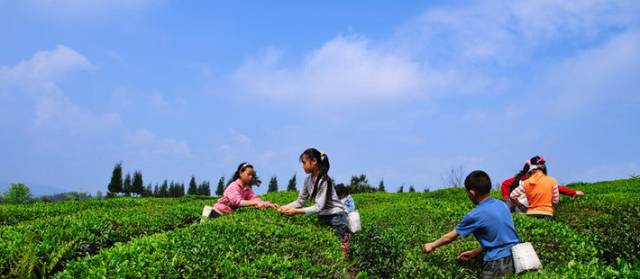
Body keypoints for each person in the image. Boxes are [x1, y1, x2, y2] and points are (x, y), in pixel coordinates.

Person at [423, 170, 521, 279]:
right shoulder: (502, 204)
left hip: (497, 262)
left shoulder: (475, 215)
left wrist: (432, 245)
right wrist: (474, 252)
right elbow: (499, 239)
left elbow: (449, 238)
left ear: (472, 193)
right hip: (517, 256)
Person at [278, 148, 350, 255]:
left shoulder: (324, 180)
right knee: (327, 249)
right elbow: (300, 201)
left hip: (336, 217)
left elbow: (318, 207)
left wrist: (296, 211)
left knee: (340, 250)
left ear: (314, 161)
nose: (303, 166)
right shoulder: (307, 180)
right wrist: (284, 206)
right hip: (323, 217)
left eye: (304, 162)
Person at [501, 156, 583, 212]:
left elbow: (558, 188)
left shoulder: (543, 180)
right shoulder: (522, 179)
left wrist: (573, 192)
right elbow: (505, 184)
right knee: (507, 206)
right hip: (520, 205)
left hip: (531, 207)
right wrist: (507, 198)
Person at [207, 162, 278, 218]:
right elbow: (238, 202)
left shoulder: (247, 188)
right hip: (216, 213)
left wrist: (269, 204)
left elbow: (255, 199)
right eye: (249, 174)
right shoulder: (234, 186)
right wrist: (255, 203)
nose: (251, 177)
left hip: (226, 215)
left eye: (252, 175)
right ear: (241, 173)